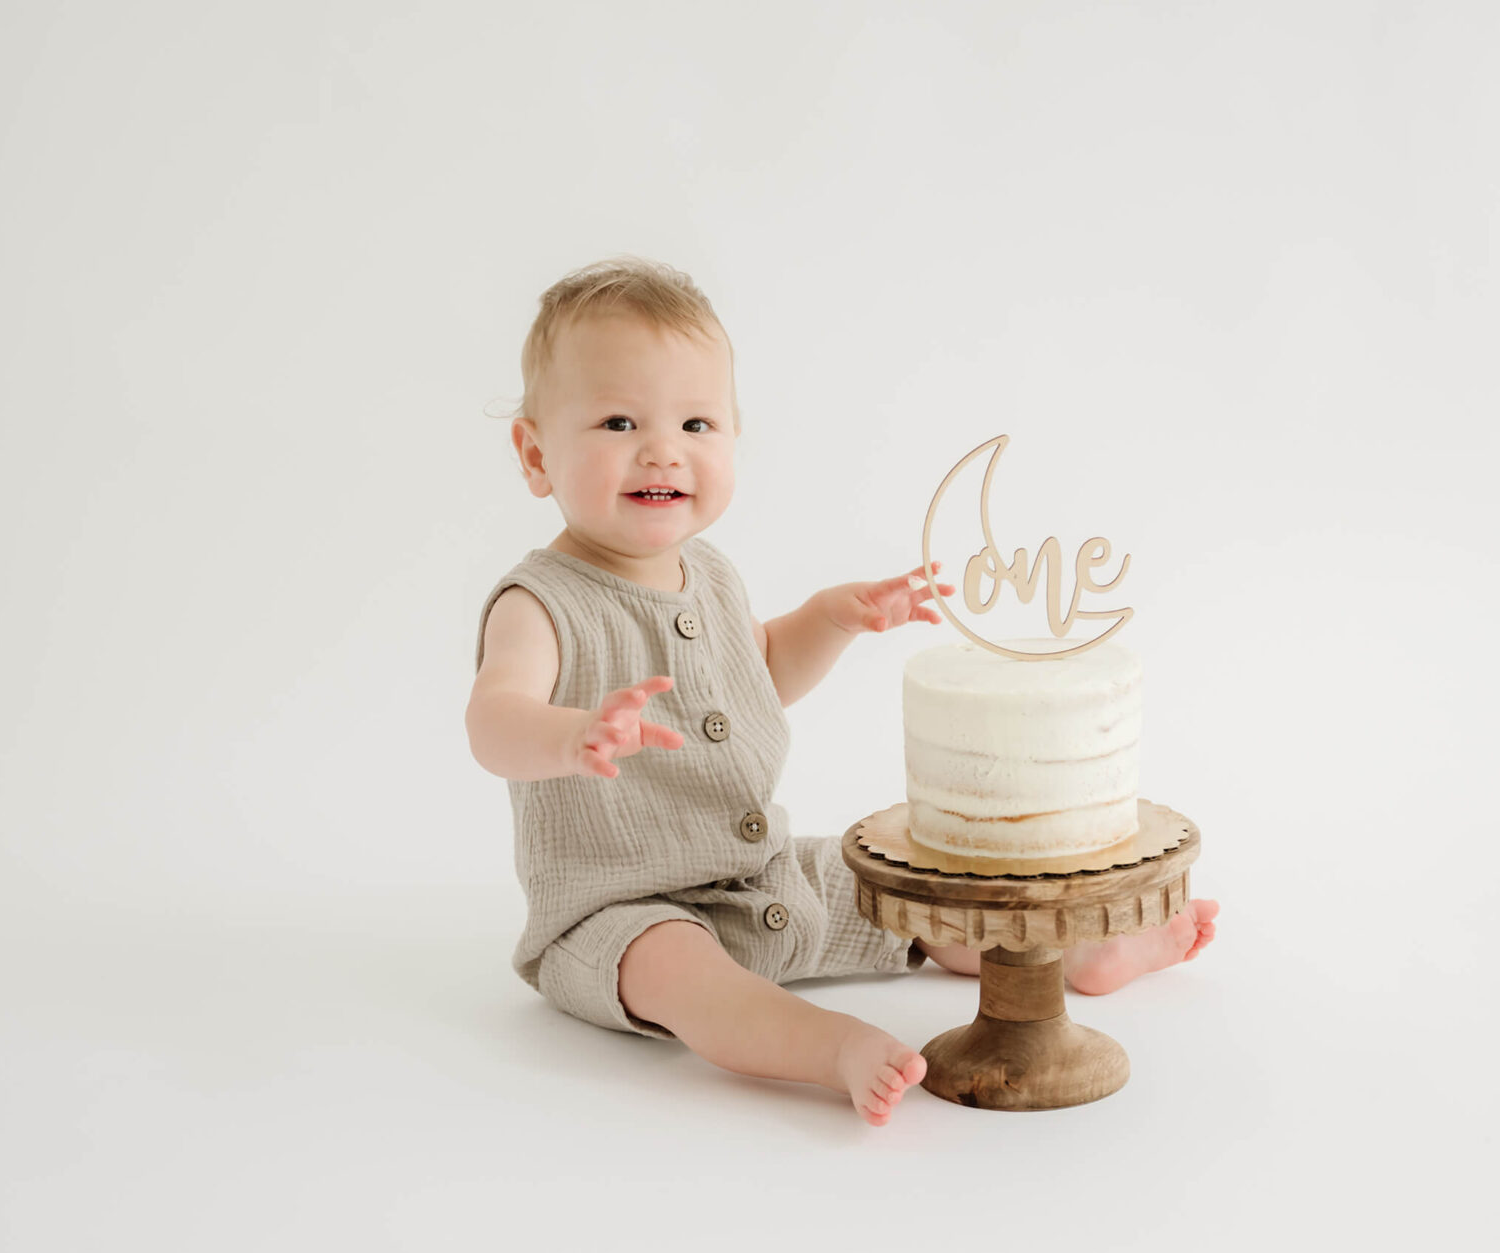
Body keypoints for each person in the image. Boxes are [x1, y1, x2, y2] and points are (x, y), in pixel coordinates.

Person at [466, 256, 1220, 1125]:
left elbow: (757, 678)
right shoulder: (542, 602)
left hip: (759, 871)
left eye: (697, 422)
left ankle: (1070, 955)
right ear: (535, 454)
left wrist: (829, 621)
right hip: (621, 912)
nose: (663, 449)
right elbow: (492, 719)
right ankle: (830, 1047)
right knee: (685, 975)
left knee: (899, 888)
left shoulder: (710, 573)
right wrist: (572, 736)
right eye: (618, 421)